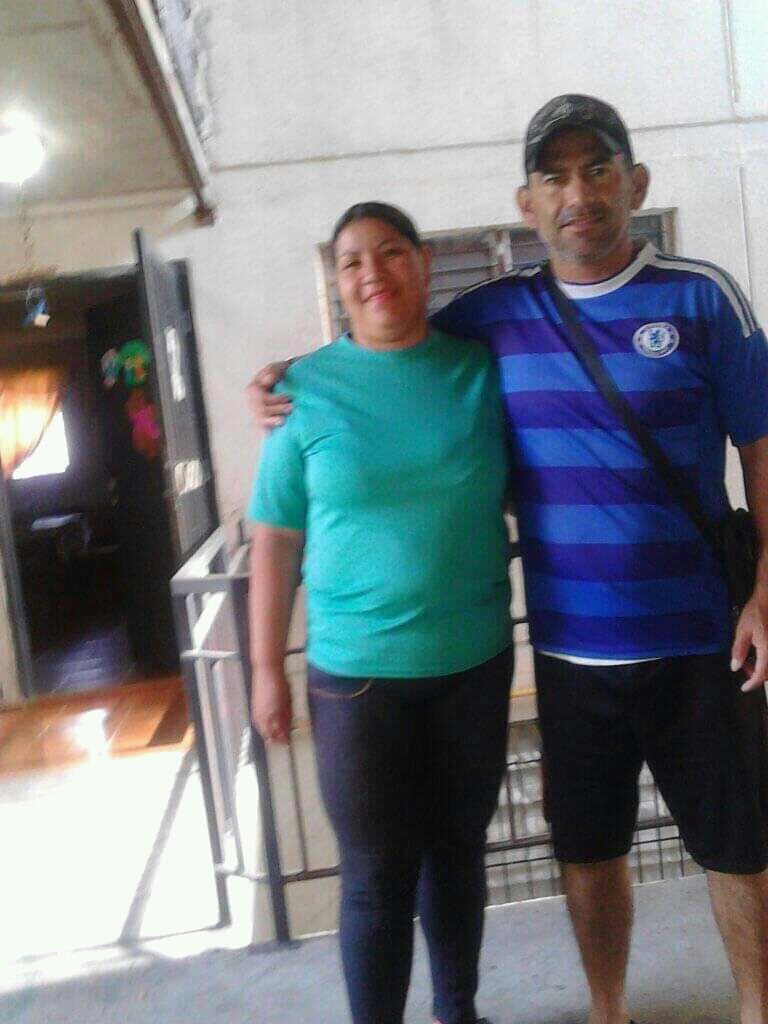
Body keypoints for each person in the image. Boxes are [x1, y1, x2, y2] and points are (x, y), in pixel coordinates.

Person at [250, 97, 768, 1024]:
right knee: (588, 852)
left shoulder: (703, 296)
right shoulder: (494, 315)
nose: (579, 194)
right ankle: (607, 1013)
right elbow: (386, 338)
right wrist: (292, 375)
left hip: (704, 636)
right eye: (554, 177)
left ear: (635, 183)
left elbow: (763, 449)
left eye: (598, 169)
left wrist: (765, 592)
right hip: (568, 653)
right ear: (527, 204)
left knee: (739, 847)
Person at [248, 201, 514, 1024]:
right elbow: (275, 540)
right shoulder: (299, 394)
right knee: (375, 877)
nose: (373, 273)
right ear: (337, 281)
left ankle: (457, 1011)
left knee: (458, 854)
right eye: (353, 261)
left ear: (424, 262)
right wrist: (264, 669)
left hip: (474, 661)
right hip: (357, 678)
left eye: (391, 252)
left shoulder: (481, 371)